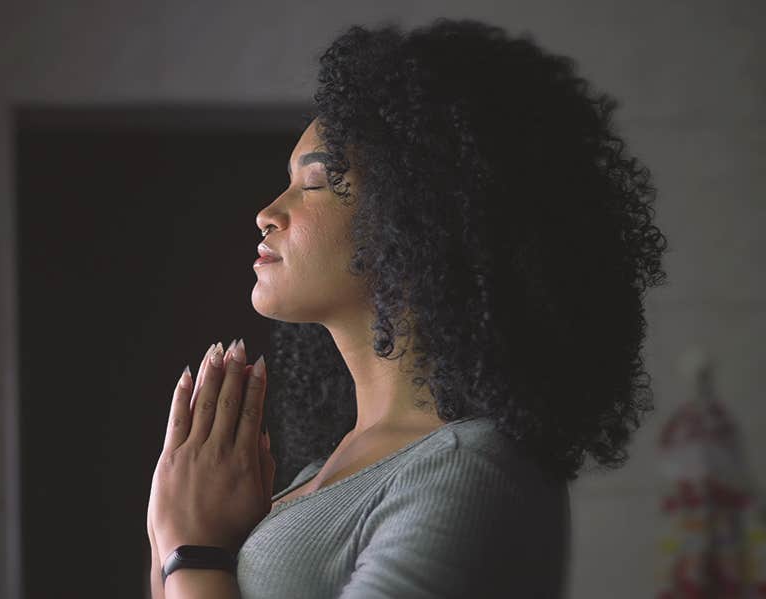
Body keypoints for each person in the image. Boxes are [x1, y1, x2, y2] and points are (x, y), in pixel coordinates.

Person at [146, 17, 668, 599]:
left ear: (419, 215)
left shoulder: (470, 467)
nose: (268, 212)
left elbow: (193, 572)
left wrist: (193, 552)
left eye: (314, 183)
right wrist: (174, 536)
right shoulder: (318, 475)